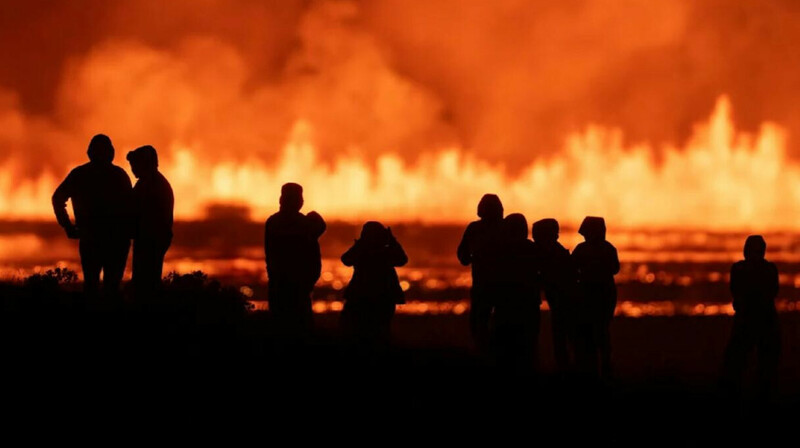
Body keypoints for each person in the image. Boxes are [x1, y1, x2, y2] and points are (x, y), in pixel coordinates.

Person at [52, 134, 132, 298]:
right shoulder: (119, 175)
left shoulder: (79, 174)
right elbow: (132, 207)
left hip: (91, 239)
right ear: (111, 153)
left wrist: (68, 226)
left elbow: (57, 198)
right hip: (116, 240)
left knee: (91, 286)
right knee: (112, 288)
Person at [723, 235, 780, 401]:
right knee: (764, 363)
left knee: (736, 361)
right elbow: (773, 292)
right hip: (764, 318)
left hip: (748, 318)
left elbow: (735, 291)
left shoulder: (738, 269)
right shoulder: (770, 269)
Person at [264, 183, 326, 335]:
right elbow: (318, 230)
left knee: (282, 327)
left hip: (282, 283)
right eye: (298, 198)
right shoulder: (302, 223)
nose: (301, 201)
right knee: (299, 327)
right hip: (294, 284)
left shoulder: (274, 221)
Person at [340, 222, 408, 349]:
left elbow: (346, 259)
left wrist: (360, 243)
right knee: (379, 333)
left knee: (363, 333)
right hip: (380, 298)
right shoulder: (384, 252)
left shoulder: (365, 251)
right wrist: (392, 241)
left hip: (364, 297)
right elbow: (402, 259)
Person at [571, 216, 619, 379]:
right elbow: (615, 269)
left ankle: (593, 368)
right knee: (601, 332)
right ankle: (603, 367)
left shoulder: (582, 249)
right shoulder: (609, 248)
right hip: (603, 293)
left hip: (592, 294)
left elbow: (571, 268)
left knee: (591, 333)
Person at [457, 194, 505, 351]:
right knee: (501, 323)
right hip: (503, 285)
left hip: (481, 284)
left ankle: (483, 353)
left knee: (479, 322)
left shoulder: (474, 229)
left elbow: (463, 256)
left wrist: (474, 256)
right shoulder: (506, 228)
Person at [494, 213, 540, 373]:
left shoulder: (500, 249)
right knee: (526, 346)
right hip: (527, 304)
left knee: (505, 345)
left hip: (506, 304)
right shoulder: (532, 249)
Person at [126, 145, 174, 300]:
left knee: (146, 283)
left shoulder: (152, 185)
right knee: (146, 281)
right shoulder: (148, 183)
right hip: (150, 239)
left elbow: (140, 212)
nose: (133, 169)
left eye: (135, 164)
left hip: (150, 240)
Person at [533, 218, 578, 373]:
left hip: (565, 303)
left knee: (565, 338)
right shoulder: (550, 253)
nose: (535, 240)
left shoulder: (555, 255)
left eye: (537, 237)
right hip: (560, 303)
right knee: (564, 338)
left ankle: (569, 371)